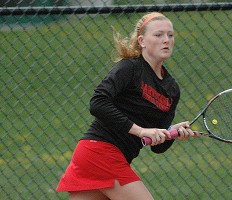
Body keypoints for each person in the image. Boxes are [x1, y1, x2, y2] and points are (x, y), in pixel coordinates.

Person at [56, 12, 199, 200]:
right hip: (99, 151)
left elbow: (158, 147)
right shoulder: (130, 68)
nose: (166, 40)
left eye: (170, 35)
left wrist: (172, 133)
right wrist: (140, 131)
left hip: (110, 157)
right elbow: (97, 103)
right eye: (158, 35)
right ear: (142, 40)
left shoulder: (171, 89)